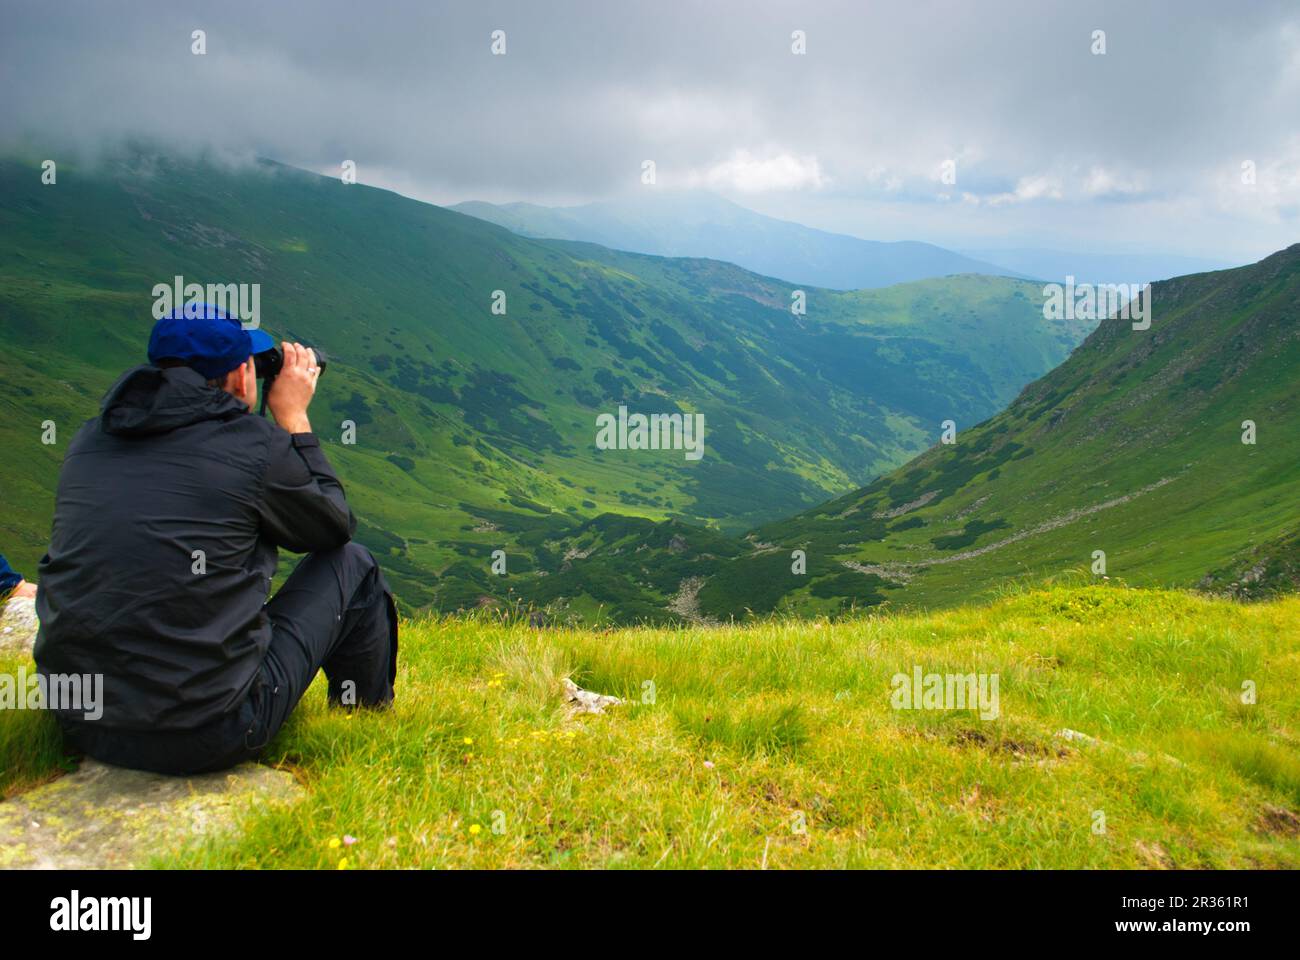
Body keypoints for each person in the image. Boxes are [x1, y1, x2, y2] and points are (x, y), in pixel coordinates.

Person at [34, 304, 398, 775]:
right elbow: (331, 527)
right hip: (209, 732)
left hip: (79, 720)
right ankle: (367, 718)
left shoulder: (91, 438)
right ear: (241, 377)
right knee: (354, 564)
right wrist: (293, 418)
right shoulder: (254, 444)